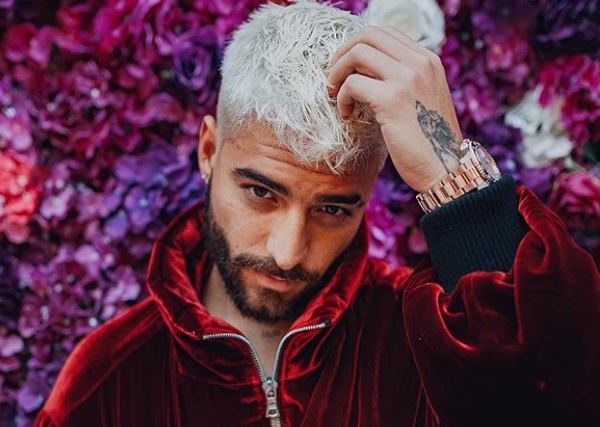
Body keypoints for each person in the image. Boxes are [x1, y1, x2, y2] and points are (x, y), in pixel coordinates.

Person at [35, 1, 600, 426]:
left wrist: (450, 174)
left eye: (332, 208)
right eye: (261, 193)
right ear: (208, 152)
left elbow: (560, 397)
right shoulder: (107, 379)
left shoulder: (433, 343)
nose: (287, 252)